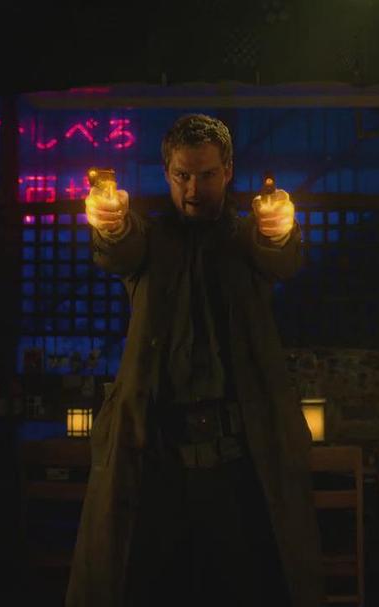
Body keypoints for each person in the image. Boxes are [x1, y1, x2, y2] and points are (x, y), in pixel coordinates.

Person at [66, 114, 323, 607]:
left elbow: (278, 254)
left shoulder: (244, 237)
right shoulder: (151, 240)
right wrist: (111, 225)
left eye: (206, 175)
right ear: (166, 174)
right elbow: (121, 248)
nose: (192, 189)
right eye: (182, 175)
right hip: (158, 461)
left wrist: (277, 231)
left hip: (237, 463)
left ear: (227, 172)